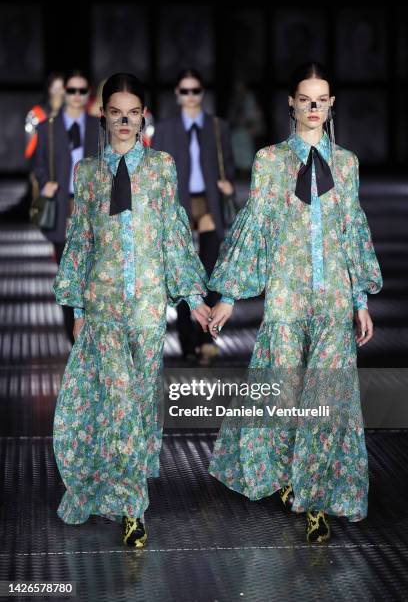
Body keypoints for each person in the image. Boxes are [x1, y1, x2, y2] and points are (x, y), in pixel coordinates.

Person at [207, 62, 383, 543]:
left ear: (330, 105)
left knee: (328, 400)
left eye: (321, 99)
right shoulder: (270, 160)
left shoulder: (346, 163)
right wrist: (228, 296)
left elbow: (352, 230)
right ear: (291, 103)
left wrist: (360, 299)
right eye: (305, 98)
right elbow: (255, 227)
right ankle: (285, 478)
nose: (312, 107)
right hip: (285, 294)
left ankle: (316, 498)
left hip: (332, 298)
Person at [52, 73, 210, 547]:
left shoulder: (162, 168)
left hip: (146, 305)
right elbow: (79, 240)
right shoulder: (88, 173)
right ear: (103, 114)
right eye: (116, 112)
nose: (124, 121)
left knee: (139, 405)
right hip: (102, 305)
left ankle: (125, 487)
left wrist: (193, 298)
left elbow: (175, 234)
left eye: (133, 112)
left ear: (143, 116)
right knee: (116, 401)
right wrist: (76, 305)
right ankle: (131, 506)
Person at [152, 68, 236, 365]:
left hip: (210, 204)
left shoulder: (217, 127)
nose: (190, 96)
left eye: (195, 90)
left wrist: (228, 183)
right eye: (184, 91)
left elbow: (229, 162)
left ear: (202, 92)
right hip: (179, 208)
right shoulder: (164, 130)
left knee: (211, 274)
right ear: (177, 94)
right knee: (186, 277)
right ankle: (188, 343)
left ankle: (207, 338)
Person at [33, 70, 99, 343]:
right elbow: (37, 164)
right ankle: (73, 339)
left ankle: (92, 335)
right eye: (71, 90)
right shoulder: (47, 127)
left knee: (94, 272)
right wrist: (45, 182)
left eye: (82, 91)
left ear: (87, 94)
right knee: (68, 274)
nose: (76, 96)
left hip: (91, 207)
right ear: (64, 92)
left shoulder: (99, 126)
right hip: (62, 207)